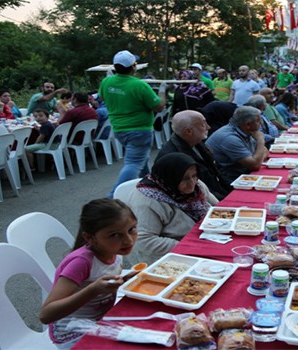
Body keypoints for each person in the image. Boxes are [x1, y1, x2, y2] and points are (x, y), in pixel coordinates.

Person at [40, 198, 139, 348]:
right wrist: (93, 290)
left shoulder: (114, 250)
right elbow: (46, 315)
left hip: (102, 319)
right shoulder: (81, 262)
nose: (128, 240)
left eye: (132, 229)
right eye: (115, 235)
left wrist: (124, 280)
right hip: (71, 330)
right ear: (89, 238)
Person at [98, 49, 166, 198]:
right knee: (133, 163)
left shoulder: (107, 81)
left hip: (119, 129)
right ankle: (113, 197)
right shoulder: (139, 85)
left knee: (142, 159)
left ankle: (150, 186)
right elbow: (159, 106)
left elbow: (102, 98)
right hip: (139, 130)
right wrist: (162, 91)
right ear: (133, 67)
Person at [128, 153, 216, 263]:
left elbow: (217, 206)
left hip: (203, 238)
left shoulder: (197, 186)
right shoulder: (147, 201)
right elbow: (144, 240)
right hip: (171, 256)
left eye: (194, 176)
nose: (192, 183)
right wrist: (189, 246)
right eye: (184, 179)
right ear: (170, 178)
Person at [156, 110, 232, 199]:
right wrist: (225, 199)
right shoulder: (172, 157)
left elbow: (216, 171)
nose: (208, 127)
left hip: (217, 192)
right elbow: (191, 191)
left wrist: (232, 189)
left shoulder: (197, 142)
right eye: (203, 124)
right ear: (188, 131)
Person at [205, 106, 268, 183]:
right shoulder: (229, 138)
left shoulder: (244, 130)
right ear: (247, 124)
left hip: (243, 173)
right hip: (230, 179)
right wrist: (261, 140)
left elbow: (264, 151)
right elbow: (254, 166)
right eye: (258, 121)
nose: (261, 123)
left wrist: (257, 158)